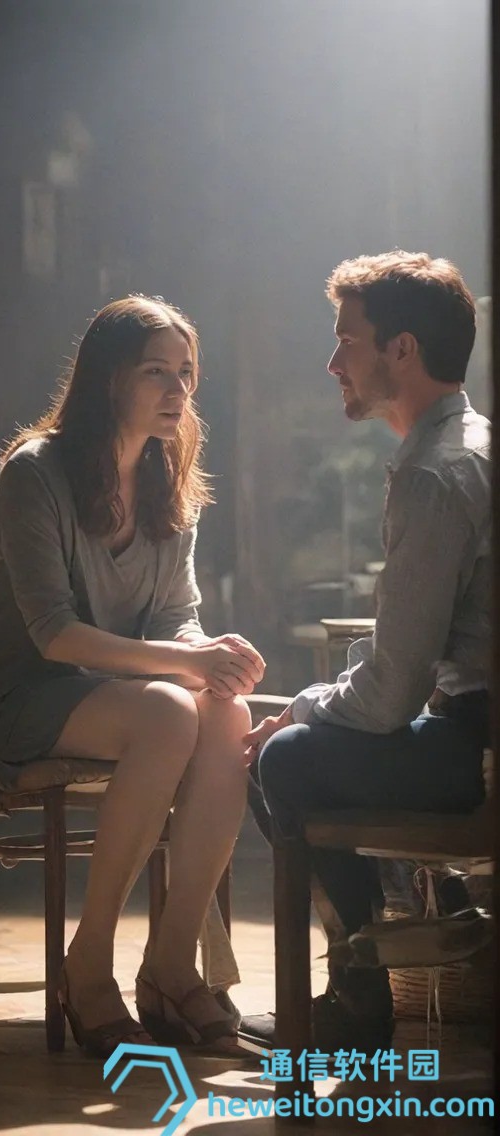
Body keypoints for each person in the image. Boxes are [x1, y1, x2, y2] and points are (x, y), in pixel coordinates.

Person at [0, 295, 265, 1057]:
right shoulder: (36, 472)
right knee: (169, 710)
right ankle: (87, 964)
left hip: (116, 697)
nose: (177, 390)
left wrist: (210, 652)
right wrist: (185, 663)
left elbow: (176, 617)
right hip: (21, 698)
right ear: (109, 379)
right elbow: (54, 636)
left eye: (186, 373)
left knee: (226, 712)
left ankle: (170, 965)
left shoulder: (168, 478)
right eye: (156, 371)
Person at [242, 251, 490, 1050]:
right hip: (471, 729)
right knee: (298, 736)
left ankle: (358, 997)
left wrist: (299, 713)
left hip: (480, 750)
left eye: (348, 339)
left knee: (282, 759)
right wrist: (313, 705)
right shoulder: (475, 445)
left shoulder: (434, 474)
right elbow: (403, 649)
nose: (333, 362)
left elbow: (389, 698)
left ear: (401, 350)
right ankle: (403, 942)